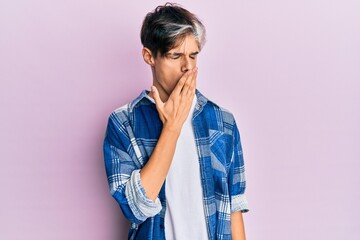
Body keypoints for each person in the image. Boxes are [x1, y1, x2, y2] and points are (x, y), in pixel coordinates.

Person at [103, 3, 249, 240]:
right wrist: (172, 127)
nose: (188, 67)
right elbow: (135, 209)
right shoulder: (124, 122)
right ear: (149, 56)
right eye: (175, 55)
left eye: (193, 55)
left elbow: (234, 207)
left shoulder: (223, 122)